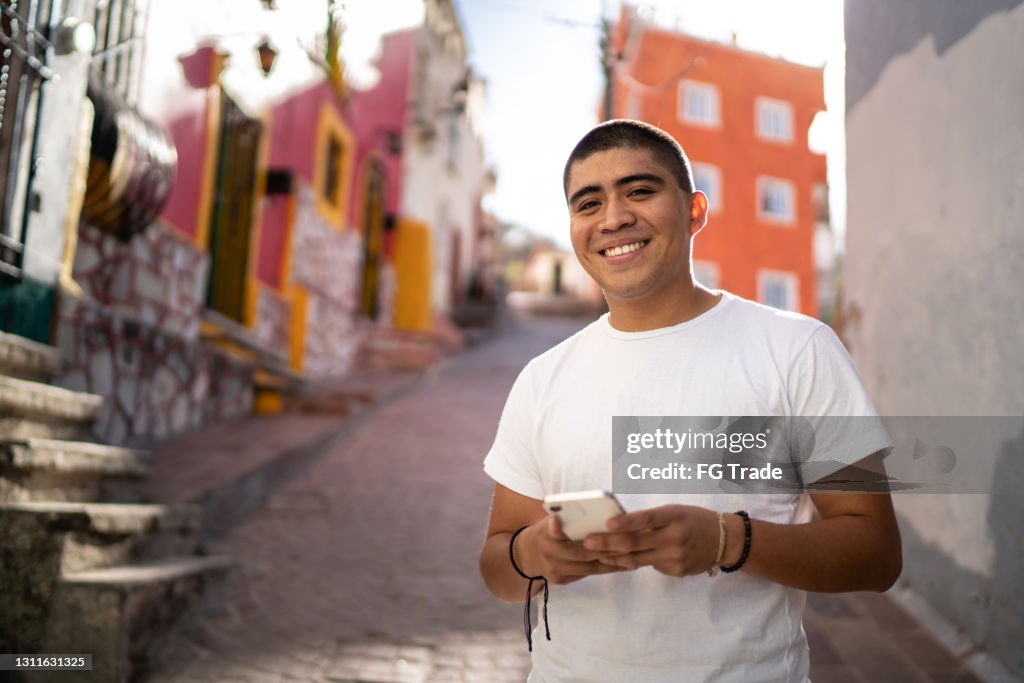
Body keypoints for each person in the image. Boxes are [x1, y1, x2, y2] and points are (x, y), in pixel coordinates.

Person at [478, 119, 902, 682]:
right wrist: (534, 555)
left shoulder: (796, 349)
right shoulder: (541, 378)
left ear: (695, 210)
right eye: (588, 203)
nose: (614, 218)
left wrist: (730, 540)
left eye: (640, 191)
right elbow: (497, 567)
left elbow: (876, 554)